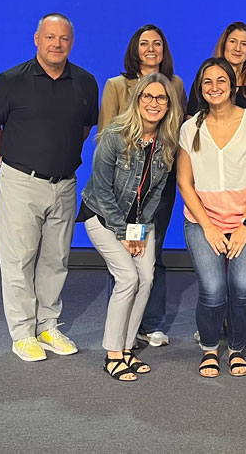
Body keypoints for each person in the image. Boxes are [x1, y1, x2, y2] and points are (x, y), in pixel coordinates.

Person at [0, 13, 98, 361]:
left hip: (63, 185)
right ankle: (22, 333)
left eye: (63, 39)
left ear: (71, 43)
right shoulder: (10, 81)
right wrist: (4, 163)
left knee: (55, 259)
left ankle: (47, 325)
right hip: (20, 182)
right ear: (37, 39)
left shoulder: (85, 82)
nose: (57, 44)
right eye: (50, 38)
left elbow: (82, 129)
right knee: (19, 259)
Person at [79, 74, 182, 380]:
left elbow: (154, 195)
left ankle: (126, 347)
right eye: (147, 97)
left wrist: (137, 232)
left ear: (168, 105)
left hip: (137, 222)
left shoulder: (167, 143)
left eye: (160, 98)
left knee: (146, 277)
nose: (154, 103)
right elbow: (101, 191)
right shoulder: (114, 135)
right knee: (126, 277)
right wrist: (124, 233)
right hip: (100, 217)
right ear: (137, 100)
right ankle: (112, 354)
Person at [178, 58, 246, 378]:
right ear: (200, 88)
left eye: (220, 81)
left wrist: (244, 226)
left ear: (233, 85)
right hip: (203, 222)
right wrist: (208, 227)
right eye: (207, 82)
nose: (214, 87)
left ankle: (236, 349)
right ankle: (209, 349)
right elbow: (185, 183)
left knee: (242, 287)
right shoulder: (190, 128)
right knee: (214, 290)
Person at [98, 24, 187, 348]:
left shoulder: (175, 84)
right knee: (123, 260)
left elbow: (177, 133)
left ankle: (151, 324)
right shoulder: (115, 85)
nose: (151, 49)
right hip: (121, 191)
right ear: (134, 48)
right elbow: (105, 134)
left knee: (152, 254)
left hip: (157, 186)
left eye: (157, 44)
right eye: (145, 43)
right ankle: (122, 331)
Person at [186, 22, 246, 123]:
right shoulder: (203, 84)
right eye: (232, 41)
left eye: (244, 44)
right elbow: (191, 126)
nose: (237, 48)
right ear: (224, 45)